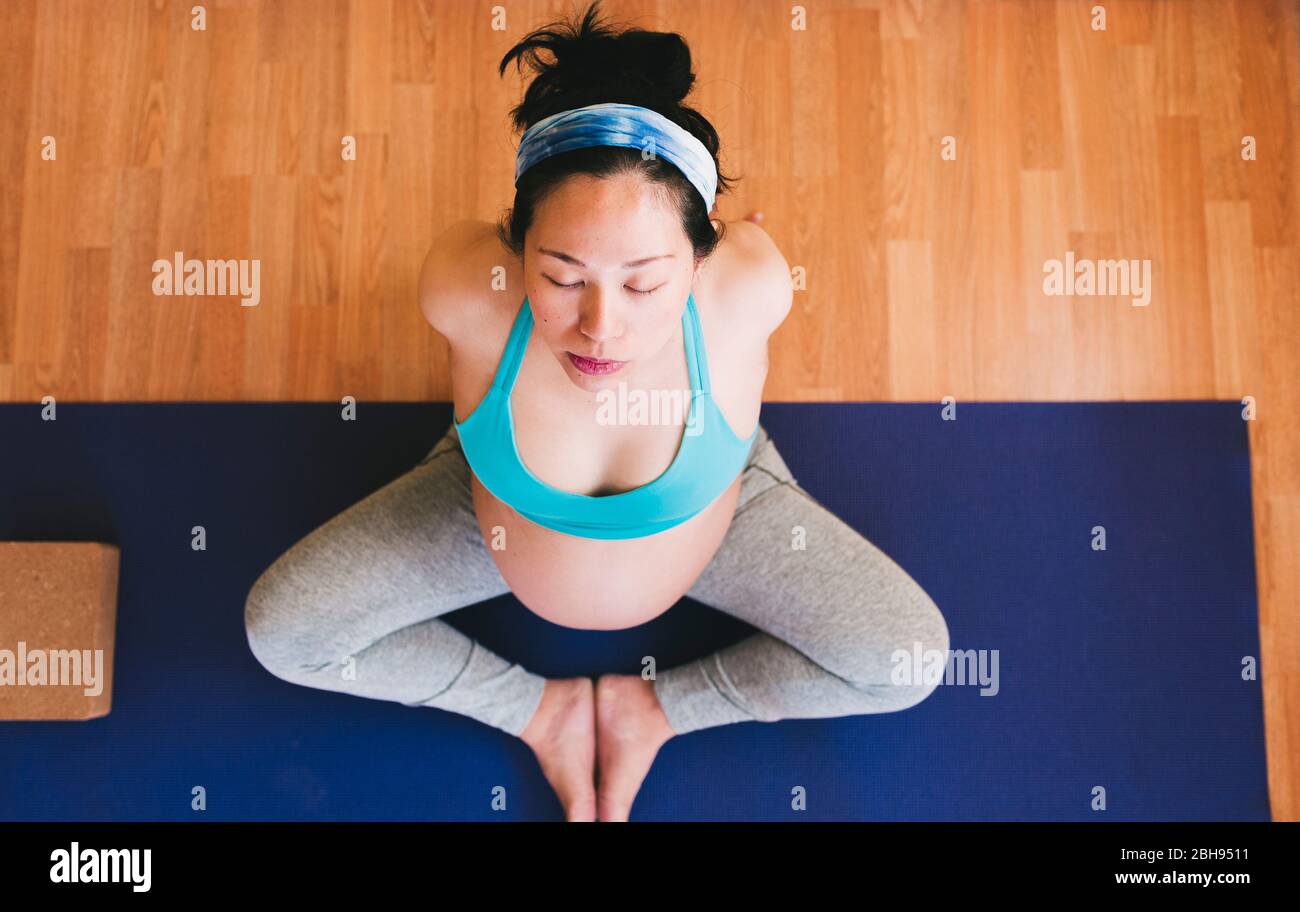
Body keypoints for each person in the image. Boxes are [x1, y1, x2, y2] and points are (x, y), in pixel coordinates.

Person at [243, 0, 948, 822]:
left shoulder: (750, 285)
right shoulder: (465, 287)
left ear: (704, 253)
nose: (600, 326)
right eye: (563, 275)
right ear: (513, 247)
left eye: (645, 281)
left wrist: (668, 702)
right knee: (283, 633)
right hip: (494, 519)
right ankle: (547, 714)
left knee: (909, 660)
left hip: (716, 520)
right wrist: (529, 706)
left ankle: (646, 712)